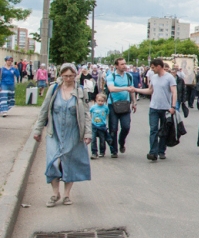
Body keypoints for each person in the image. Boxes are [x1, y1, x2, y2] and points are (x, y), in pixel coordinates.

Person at [32, 63, 92, 207]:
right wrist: (37, 130)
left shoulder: (80, 91)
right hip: (55, 132)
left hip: (73, 133)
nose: (68, 78)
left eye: (71, 76)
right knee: (53, 162)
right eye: (65, 76)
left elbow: (86, 113)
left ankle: (66, 195)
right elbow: (44, 110)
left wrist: (88, 133)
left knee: (70, 163)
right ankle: (55, 193)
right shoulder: (54, 89)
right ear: (61, 75)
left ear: (75, 75)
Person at [133, 58, 177, 162]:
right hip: (153, 107)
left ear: (159, 66)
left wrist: (173, 106)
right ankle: (153, 152)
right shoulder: (153, 77)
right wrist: (136, 89)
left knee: (163, 131)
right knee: (153, 130)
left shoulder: (169, 77)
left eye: (153, 67)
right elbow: (150, 90)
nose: (152, 70)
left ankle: (161, 151)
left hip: (165, 108)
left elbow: (174, 92)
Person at [106, 58, 136, 156]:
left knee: (126, 127)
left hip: (125, 104)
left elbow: (131, 90)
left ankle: (121, 141)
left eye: (125, 64)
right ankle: (114, 151)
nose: (124, 66)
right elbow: (111, 89)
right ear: (116, 66)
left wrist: (134, 102)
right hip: (113, 104)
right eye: (122, 64)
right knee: (113, 129)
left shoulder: (129, 76)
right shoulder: (111, 76)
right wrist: (125, 88)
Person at [89, 93, 110, 159]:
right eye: (99, 101)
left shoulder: (105, 107)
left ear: (104, 101)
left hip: (102, 126)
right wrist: (90, 119)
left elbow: (107, 114)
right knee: (93, 139)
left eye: (102, 101)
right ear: (96, 100)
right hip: (94, 125)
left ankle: (102, 152)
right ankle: (94, 153)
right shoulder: (93, 107)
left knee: (102, 139)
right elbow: (89, 112)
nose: (100, 102)